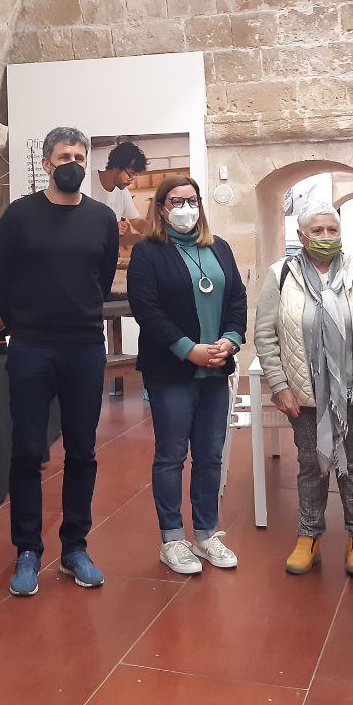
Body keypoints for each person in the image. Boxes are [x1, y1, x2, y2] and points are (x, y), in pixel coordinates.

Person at [0, 126, 119, 597]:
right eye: (65, 155)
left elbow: (100, 281)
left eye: (81, 157)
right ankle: (27, 549)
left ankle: (74, 547)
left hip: (84, 345)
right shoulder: (20, 216)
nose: (74, 163)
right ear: (46, 163)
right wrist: (23, 324)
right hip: (30, 346)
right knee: (27, 450)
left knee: (82, 450)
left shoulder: (103, 219)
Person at [254, 200, 353, 579]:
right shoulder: (281, 274)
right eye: (316, 231)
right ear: (301, 236)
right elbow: (265, 334)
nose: (325, 237)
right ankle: (309, 536)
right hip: (305, 392)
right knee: (310, 465)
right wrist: (280, 385)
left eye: (332, 230)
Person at [126, 177, 247, 575]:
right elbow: (147, 310)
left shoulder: (220, 248)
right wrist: (188, 350)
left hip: (216, 367)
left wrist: (229, 340)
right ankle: (173, 539)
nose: (186, 208)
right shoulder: (148, 253)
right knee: (171, 455)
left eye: (192, 201)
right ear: (161, 208)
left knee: (210, 456)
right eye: (176, 201)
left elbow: (237, 299)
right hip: (172, 371)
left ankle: (207, 533)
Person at [92, 141, 149, 237]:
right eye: (130, 174)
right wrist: (110, 228)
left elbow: (136, 222)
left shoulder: (122, 192)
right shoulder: (87, 181)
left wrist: (158, 228)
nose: (131, 181)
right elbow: (77, 223)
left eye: (135, 176)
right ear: (116, 166)